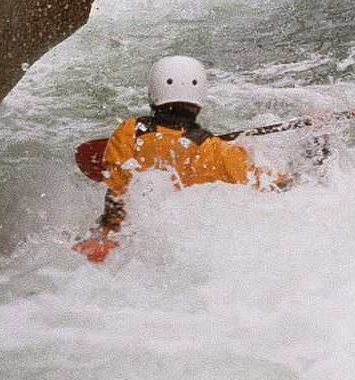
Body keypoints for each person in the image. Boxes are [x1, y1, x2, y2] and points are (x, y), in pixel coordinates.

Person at [74, 56, 287, 261]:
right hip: (187, 247)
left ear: (153, 92)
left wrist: (106, 233)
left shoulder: (129, 132)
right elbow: (279, 186)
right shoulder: (220, 152)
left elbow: (116, 191)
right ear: (199, 98)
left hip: (126, 239)